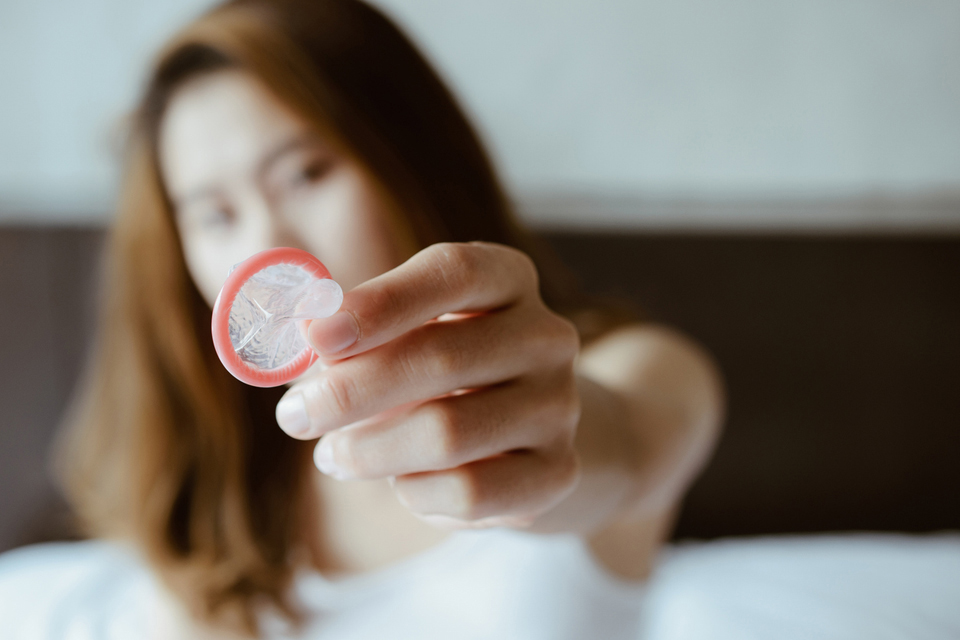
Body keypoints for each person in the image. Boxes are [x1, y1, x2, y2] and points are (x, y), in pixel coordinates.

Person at [0, 0, 724, 637]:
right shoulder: (211, 485)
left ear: (410, 161)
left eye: (307, 173)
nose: (266, 247)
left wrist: (554, 437)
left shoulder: (635, 369)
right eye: (216, 215)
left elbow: (624, 443)